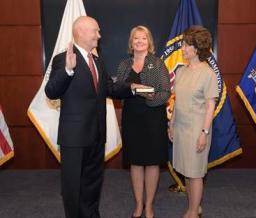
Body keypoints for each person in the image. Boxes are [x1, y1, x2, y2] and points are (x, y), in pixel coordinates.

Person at [45, 16, 121, 218]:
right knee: (73, 187)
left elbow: (110, 88)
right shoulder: (63, 59)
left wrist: (133, 88)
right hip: (75, 137)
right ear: (80, 31)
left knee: (93, 183)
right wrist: (68, 70)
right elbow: (51, 91)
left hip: (97, 134)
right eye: (95, 31)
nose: (99, 35)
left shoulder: (98, 60)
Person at [113, 25, 170, 218]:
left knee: (152, 163)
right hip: (132, 119)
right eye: (136, 38)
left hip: (153, 119)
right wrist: (130, 88)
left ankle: (149, 206)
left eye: (143, 38)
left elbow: (165, 93)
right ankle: (138, 204)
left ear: (149, 42)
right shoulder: (123, 65)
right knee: (135, 163)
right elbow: (117, 90)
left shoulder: (158, 63)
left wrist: (146, 93)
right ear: (131, 42)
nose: (139, 41)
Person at [169, 26, 219, 218]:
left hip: (198, 129)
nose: (182, 48)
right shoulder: (181, 71)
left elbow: (209, 107)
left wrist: (204, 133)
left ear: (196, 48)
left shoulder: (208, 74)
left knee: (195, 172)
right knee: (186, 170)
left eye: (186, 44)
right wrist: (171, 123)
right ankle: (194, 206)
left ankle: (192, 213)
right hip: (181, 127)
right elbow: (177, 101)